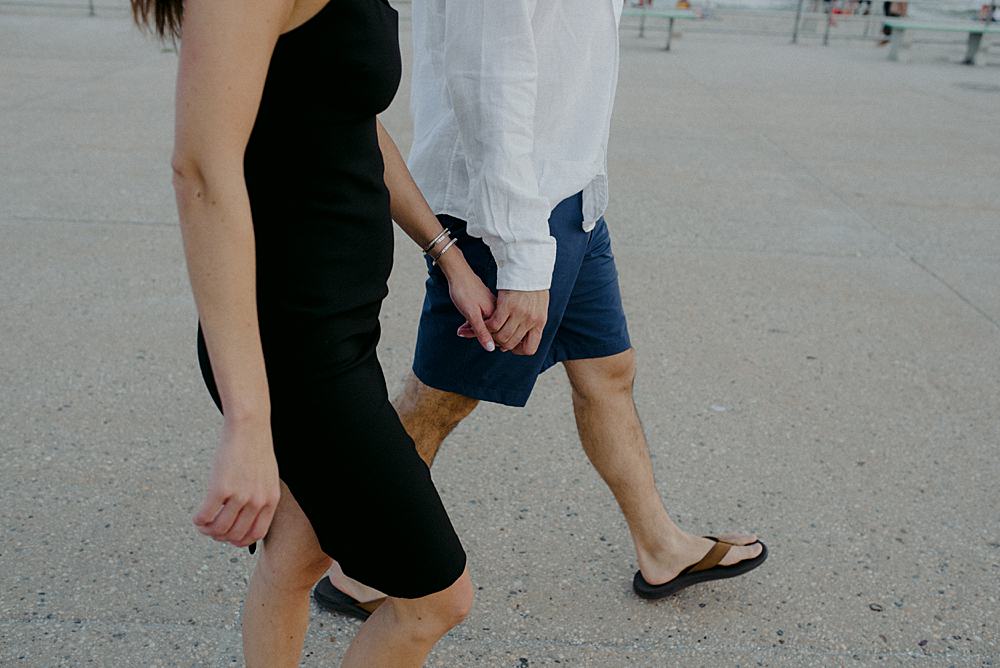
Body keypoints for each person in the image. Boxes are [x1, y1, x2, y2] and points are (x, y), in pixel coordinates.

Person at [313, 0, 768, 621]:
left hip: (570, 192)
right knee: (438, 400)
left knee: (608, 370)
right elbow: (487, 84)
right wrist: (523, 260)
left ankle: (660, 546)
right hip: (509, 215)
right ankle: (356, 570)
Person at [129, 0, 499, 664]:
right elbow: (202, 173)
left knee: (297, 556)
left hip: (340, 329)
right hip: (295, 346)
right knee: (436, 599)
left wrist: (447, 254)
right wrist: (248, 422)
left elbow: (352, 120)